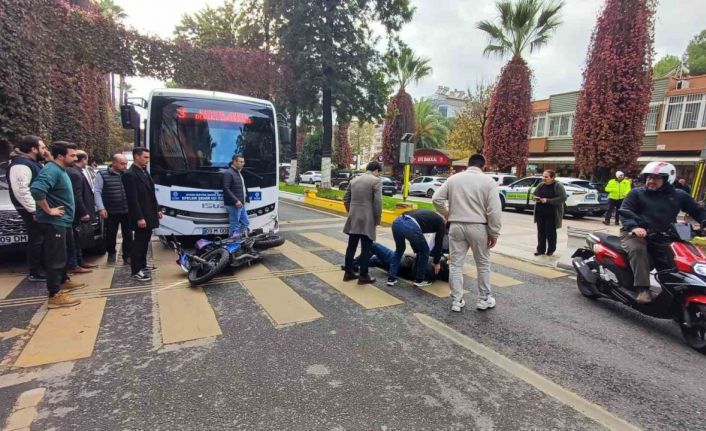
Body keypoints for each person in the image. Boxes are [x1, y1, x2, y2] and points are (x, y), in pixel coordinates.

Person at [620, 161, 706, 304]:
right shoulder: (637, 193)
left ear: (667, 179)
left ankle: (676, 293)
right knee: (638, 250)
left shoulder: (679, 195)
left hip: (664, 235)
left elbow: (698, 211)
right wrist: (634, 227)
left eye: (656, 178)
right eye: (649, 177)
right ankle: (643, 289)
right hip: (635, 233)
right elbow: (625, 211)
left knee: (676, 259)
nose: (651, 181)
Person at [432, 154, 502, 312]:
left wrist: (447, 213)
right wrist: (494, 232)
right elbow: (494, 211)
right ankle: (483, 299)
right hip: (479, 227)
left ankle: (457, 300)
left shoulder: (454, 179)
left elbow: (436, 199)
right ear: (483, 166)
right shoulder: (488, 182)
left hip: (456, 225)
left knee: (456, 264)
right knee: (483, 264)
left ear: (468, 165)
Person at [30, 141, 85, 308]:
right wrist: (49, 210)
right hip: (54, 222)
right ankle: (54, 294)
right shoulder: (52, 170)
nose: (76, 158)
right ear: (61, 156)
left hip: (63, 221)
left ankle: (62, 280)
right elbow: (37, 190)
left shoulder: (56, 168)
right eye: (72, 155)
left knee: (65, 252)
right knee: (56, 257)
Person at [5, 136, 48, 282]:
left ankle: (41, 268)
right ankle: (35, 272)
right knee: (36, 239)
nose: (45, 150)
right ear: (33, 149)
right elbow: (21, 190)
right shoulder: (21, 164)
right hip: (33, 209)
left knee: (41, 239)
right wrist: (33, 210)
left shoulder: (31, 162)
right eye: (42, 148)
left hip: (38, 207)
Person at [122, 147, 162, 282]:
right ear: (136, 157)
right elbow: (132, 199)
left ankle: (143, 265)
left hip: (149, 213)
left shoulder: (144, 171)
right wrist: (139, 217)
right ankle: (136, 270)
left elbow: (151, 193)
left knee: (145, 241)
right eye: (145, 157)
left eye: (148, 157)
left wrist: (157, 209)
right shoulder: (130, 174)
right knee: (138, 243)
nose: (147, 160)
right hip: (141, 216)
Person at [342, 161, 383, 284]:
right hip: (367, 218)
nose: (378, 175)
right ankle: (363, 276)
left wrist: (351, 211)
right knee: (366, 248)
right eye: (379, 173)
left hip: (353, 217)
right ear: (376, 170)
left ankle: (348, 273)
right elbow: (378, 203)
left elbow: (345, 198)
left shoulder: (354, 180)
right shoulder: (376, 181)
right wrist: (377, 219)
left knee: (351, 246)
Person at [387, 209, 446, 288]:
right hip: (410, 225)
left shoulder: (426, 215)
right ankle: (419, 280)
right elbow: (438, 243)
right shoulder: (441, 222)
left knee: (399, 250)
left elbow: (414, 235)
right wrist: (436, 262)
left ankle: (391, 278)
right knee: (425, 251)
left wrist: (416, 249)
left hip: (397, 222)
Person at [347, 242, 450, 282]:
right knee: (375, 260)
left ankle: (352, 264)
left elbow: (423, 257)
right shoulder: (436, 275)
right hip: (400, 270)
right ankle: (355, 264)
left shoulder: (435, 265)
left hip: (401, 262)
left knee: (373, 246)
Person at [95, 153, 131, 264]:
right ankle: (111, 253)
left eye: (126, 164)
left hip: (127, 210)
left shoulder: (127, 174)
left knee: (128, 234)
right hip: (110, 211)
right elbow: (97, 191)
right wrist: (101, 208)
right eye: (122, 164)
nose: (125, 166)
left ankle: (127, 255)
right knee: (110, 234)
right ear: (114, 163)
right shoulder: (102, 174)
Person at [66, 150, 97, 274]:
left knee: (77, 238)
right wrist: (83, 212)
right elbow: (77, 196)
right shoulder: (74, 173)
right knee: (74, 239)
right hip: (77, 213)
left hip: (76, 211)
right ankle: (74, 264)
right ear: (83, 159)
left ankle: (80, 261)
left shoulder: (76, 171)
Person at [532, 170, 567, 256]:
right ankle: (540, 249)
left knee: (550, 233)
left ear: (552, 178)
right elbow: (533, 195)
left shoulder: (558, 186)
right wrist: (535, 198)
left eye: (546, 177)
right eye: (543, 176)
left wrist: (548, 201)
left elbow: (563, 198)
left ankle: (551, 250)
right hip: (540, 213)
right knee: (541, 232)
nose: (544, 178)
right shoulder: (540, 185)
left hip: (552, 214)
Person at [223, 154, 250, 237]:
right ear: (234, 162)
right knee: (234, 225)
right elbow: (226, 188)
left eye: (243, 162)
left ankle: (236, 238)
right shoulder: (229, 173)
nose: (243, 163)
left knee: (245, 223)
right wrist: (236, 200)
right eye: (240, 162)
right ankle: (231, 243)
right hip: (234, 204)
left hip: (241, 204)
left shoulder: (238, 173)